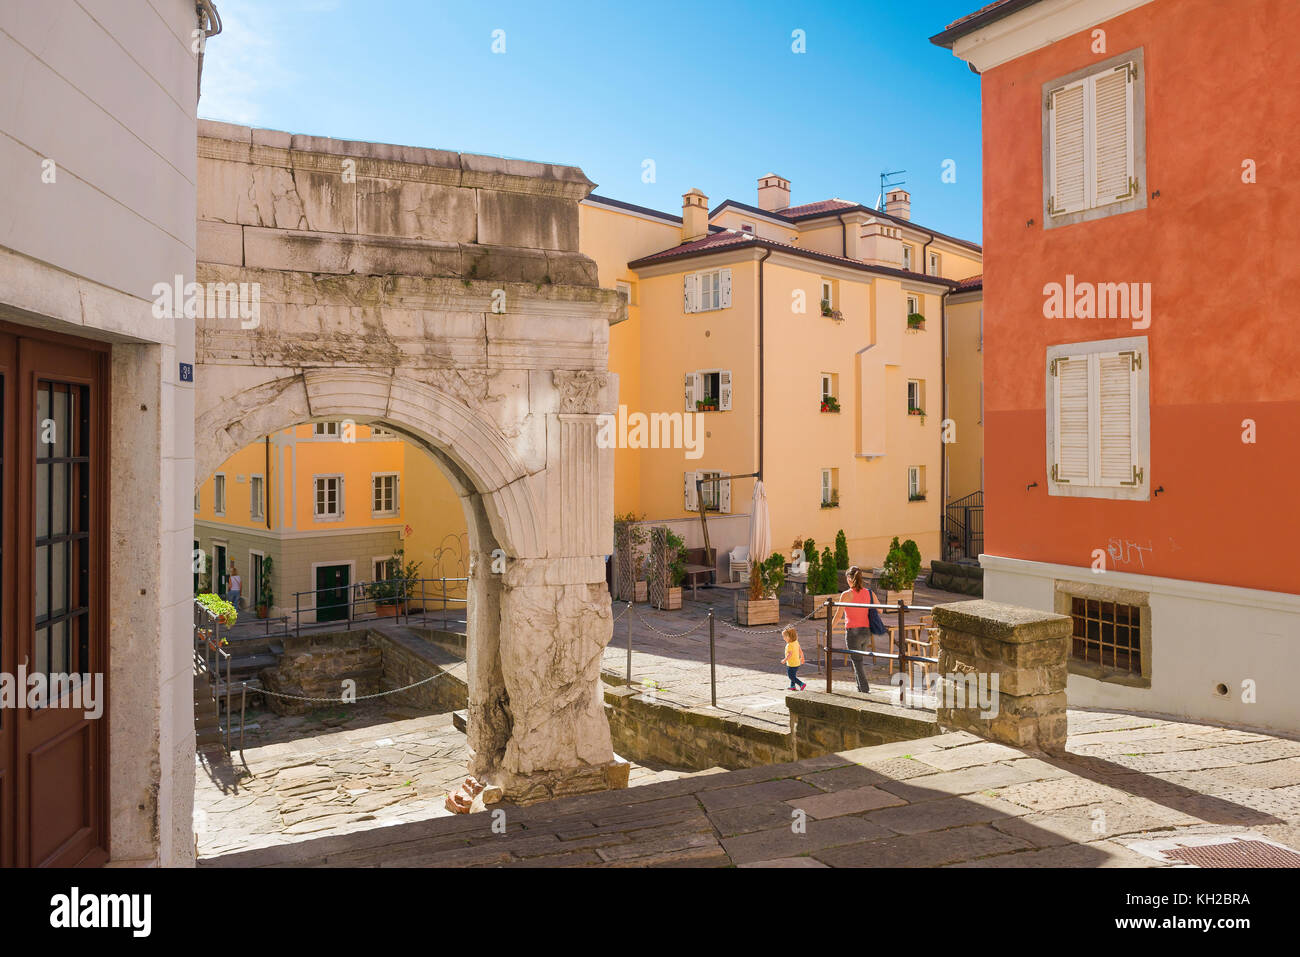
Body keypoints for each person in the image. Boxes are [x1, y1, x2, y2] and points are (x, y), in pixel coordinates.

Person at [831, 565, 887, 693]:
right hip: (866, 632)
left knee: (857, 661)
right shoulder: (869, 593)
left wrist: (829, 630)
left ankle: (865, 689)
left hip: (853, 632)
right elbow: (880, 610)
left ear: (850, 579)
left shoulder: (846, 595)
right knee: (858, 660)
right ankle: (860, 688)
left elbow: (838, 615)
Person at [781, 625, 807, 691]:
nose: (783, 638)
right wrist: (802, 657)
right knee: (793, 675)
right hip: (797, 663)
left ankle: (801, 684)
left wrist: (785, 660)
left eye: (784, 637)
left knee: (791, 676)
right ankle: (792, 686)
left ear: (789, 637)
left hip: (791, 664)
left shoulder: (789, 645)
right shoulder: (796, 642)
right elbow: (800, 650)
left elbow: (789, 655)